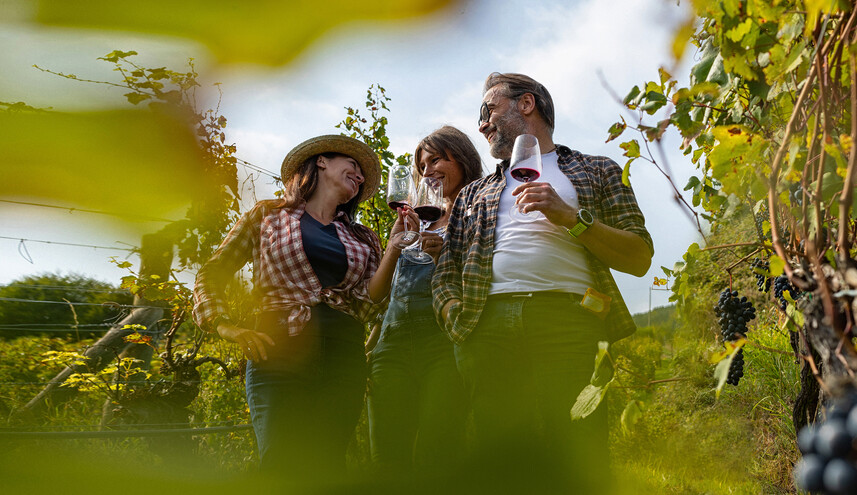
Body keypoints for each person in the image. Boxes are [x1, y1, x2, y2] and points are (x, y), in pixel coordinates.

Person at [432, 73, 653, 487]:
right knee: (501, 460)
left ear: (526, 104)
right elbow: (446, 271)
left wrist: (572, 217)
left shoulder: (597, 169)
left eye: (489, 110)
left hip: (570, 322)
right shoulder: (472, 193)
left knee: (579, 452)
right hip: (486, 326)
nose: (481, 124)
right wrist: (458, 320)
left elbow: (639, 256)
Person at [192, 134, 407, 478]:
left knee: (328, 467)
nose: (361, 176)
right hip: (278, 353)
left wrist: (394, 247)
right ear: (321, 161)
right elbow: (212, 273)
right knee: (280, 464)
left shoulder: (363, 237)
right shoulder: (267, 216)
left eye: (363, 174)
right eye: (352, 165)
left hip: (343, 357)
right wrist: (224, 325)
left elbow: (371, 302)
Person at [366, 126, 483, 473]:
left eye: (436, 159)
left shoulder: (479, 212)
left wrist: (444, 257)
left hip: (443, 344)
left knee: (438, 452)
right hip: (392, 346)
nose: (428, 170)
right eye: (422, 164)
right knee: (386, 458)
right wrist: (394, 244)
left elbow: (485, 280)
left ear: (461, 159)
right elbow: (380, 295)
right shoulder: (414, 219)